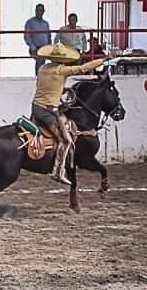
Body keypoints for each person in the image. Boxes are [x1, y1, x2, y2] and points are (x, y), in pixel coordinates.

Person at [31, 43, 106, 185]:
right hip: (49, 111)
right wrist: (103, 60)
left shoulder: (42, 69)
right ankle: (58, 172)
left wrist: (61, 89)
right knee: (66, 140)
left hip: (36, 107)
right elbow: (83, 68)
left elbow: (47, 86)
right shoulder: (62, 70)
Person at [24, 3, 52, 75]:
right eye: (38, 10)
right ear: (35, 11)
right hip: (36, 47)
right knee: (40, 60)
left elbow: (49, 36)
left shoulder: (46, 23)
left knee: (50, 61)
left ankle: (42, 77)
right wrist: (32, 47)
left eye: (41, 10)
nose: (40, 12)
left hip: (45, 47)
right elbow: (27, 36)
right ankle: (38, 77)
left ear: (44, 11)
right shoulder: (30, 22)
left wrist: (50, 47)